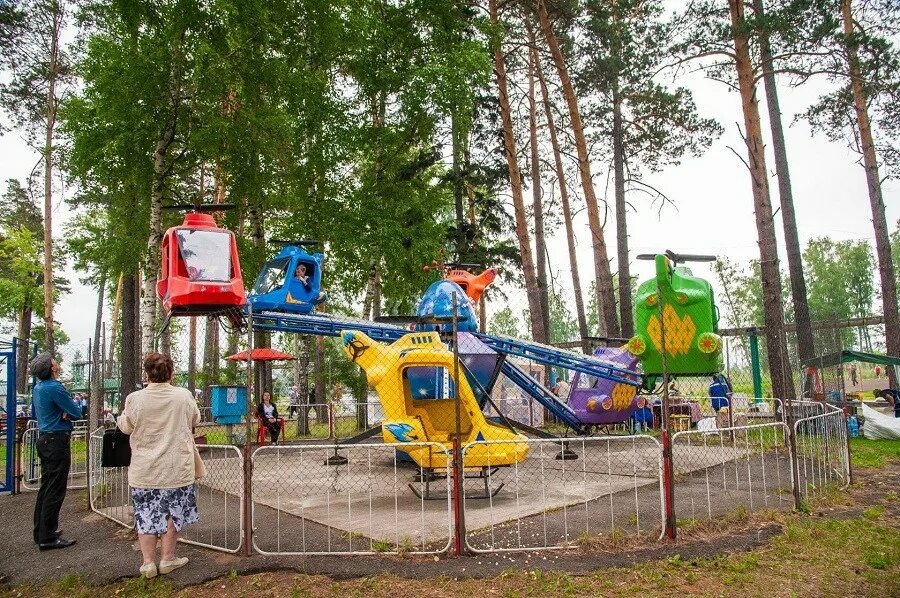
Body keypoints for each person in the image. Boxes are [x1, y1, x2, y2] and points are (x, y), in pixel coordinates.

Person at [117, 353, 201, 578]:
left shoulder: (135, 399)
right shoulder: (183, 396)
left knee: (145, 514)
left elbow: (126, 426)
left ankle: (147, 563)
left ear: (147, 374)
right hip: (176, 467)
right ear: (171, 373)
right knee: (173, 514)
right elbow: (196, 419)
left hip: (145, 469)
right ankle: (168, 558)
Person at [30, 352, 81, 551]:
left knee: (46, 487)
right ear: (51, 368)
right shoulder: (54, 388)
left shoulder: (38, 388)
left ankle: (41, 531)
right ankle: (48, 537)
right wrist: (66, 412)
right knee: (55, 490)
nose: (56, 363)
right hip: (56, 440)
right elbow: (76, 412)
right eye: (54, 361)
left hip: (45, 438)